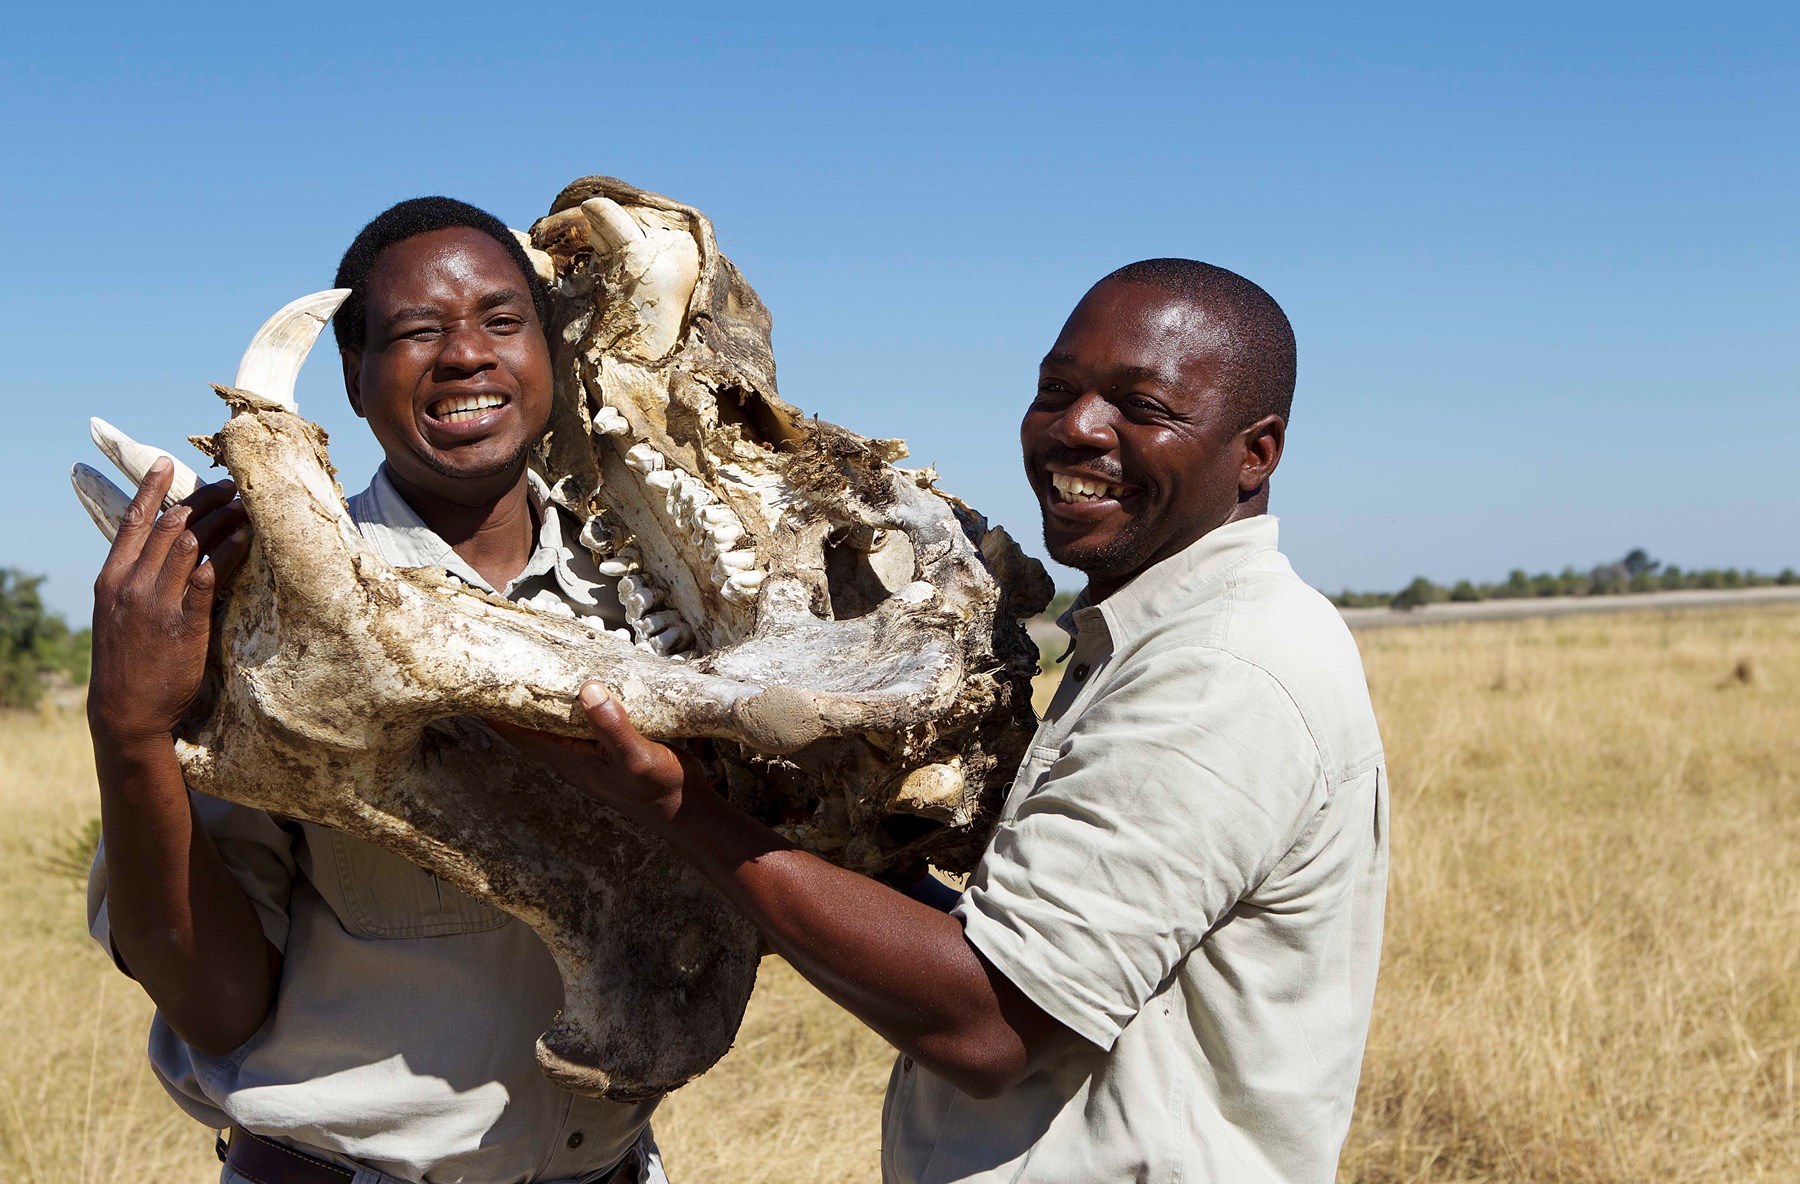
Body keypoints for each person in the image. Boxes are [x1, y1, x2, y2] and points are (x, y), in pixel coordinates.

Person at [507, 259, 1389, 1183]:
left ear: (1257, 453)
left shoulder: (1221, 673)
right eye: (1057, 389)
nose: (1079, 429)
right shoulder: (1149, 637)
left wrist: (681, 808)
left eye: (1145, 407)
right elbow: (1011, 943)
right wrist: (789, 817)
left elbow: (991, 1022)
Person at [85, 196, 667, 1184]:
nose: (464, 355)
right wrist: (131, 731)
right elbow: (217, 1005)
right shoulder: (262, 611)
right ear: (352, 380)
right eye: (414, 331)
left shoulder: (648, 599)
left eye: (499, 319)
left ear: (553, 357)